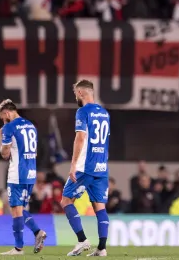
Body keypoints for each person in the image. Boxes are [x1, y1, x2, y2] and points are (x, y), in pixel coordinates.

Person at [61, 79, 111, 257]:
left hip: (85, 166)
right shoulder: (105, 113)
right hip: (102, 166)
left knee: (66, 200)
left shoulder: (82, 112)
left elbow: (81, 138)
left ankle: (82, 240)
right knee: (100, 207)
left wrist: (73, 164)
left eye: (76, 93)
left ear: (81, 93)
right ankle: (102, 248)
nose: (75, 96)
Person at [0, 99, 46, 255]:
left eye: (2, 118)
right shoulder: (31, 126)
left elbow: (5, 154)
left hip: (17, 173)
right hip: (31, 172)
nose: (3, 121)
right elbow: (35, 152)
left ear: (6, 113)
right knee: (20, 208)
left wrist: (0, 137)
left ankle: (19, 248)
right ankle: (37, 232)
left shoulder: (9, 127)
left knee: (15, 210)